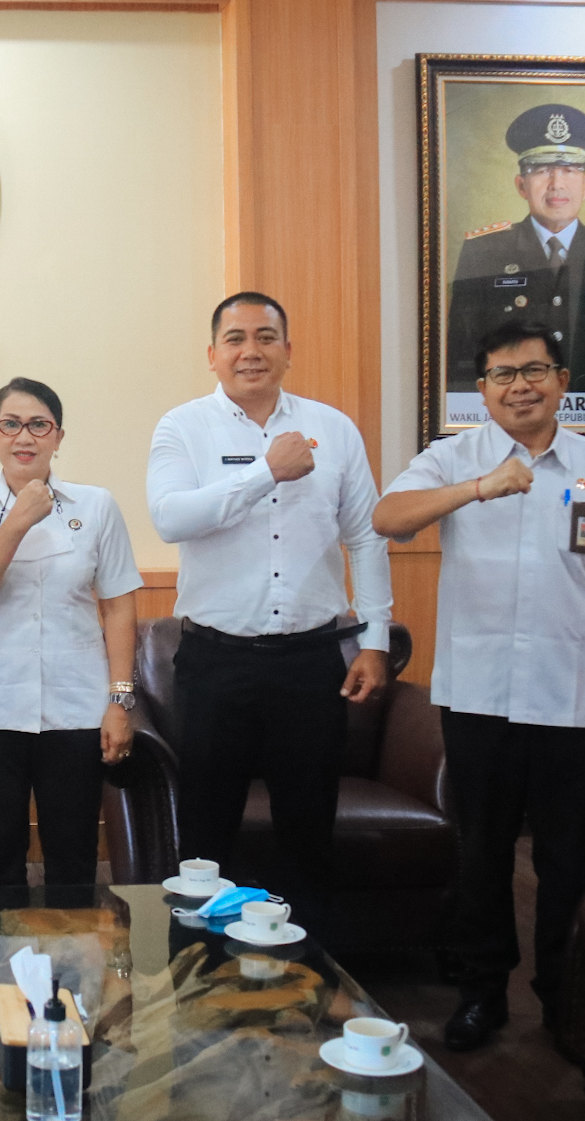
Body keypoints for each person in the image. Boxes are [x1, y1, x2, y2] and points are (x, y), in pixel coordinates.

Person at [374, 319, 585, 1053]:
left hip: (571, 693)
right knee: (481, 851)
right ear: (481, 391)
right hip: (480, 696)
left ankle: (563, 997)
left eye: (533, 370)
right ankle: (479, 993)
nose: (519, 384)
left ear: (561, 381)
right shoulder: (450, 456)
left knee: (564, 857)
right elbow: (386, 518)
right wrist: (476, 487)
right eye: (500, 374)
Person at [146, 291, 393, 937]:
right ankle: (197, 974)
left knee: (307, 833)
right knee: (204, 840)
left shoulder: (333, 428)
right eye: (234, 339)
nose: (249, 351)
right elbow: (171, 516)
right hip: (214, 663)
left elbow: (365, 536)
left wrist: (373, 640)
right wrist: (264, 471)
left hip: (311, 663)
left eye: (264, 336)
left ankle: (303, 985)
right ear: (211, 355)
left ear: (288, 349)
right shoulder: (182, 427)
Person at [0, 377, 141, 889]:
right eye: (10, 424)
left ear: (58, 435)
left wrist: (120, 700)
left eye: (38, 425)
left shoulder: (96, 507)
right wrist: (15, 525)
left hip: (75, 708)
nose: (23, 436)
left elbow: (118, 607)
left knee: (73, 855)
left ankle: (70, 968)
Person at [446, 103, 585, 396]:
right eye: (541, 170)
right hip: (511, 419)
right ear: (521, 185)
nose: (557, 184)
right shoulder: (483, 254)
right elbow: (461, 362)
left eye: (569, 170)